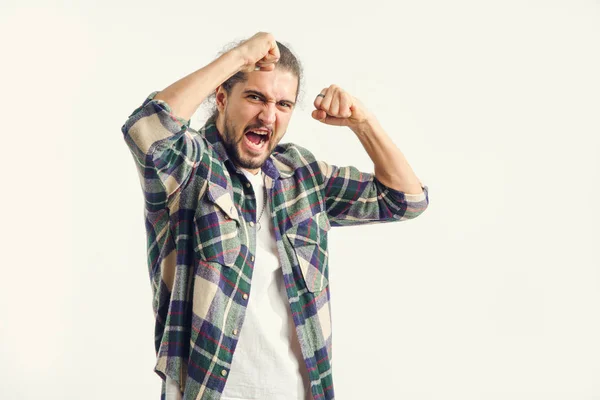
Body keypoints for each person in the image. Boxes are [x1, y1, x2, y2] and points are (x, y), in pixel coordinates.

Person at [121, 32, 429, 400]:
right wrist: (237, 58)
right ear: (221, 98)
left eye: (283, 104)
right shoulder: (189, 169)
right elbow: (146, 129)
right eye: (255, 97)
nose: (268, 115)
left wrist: (362, 122)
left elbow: (404, 199)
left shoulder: (301, 175)